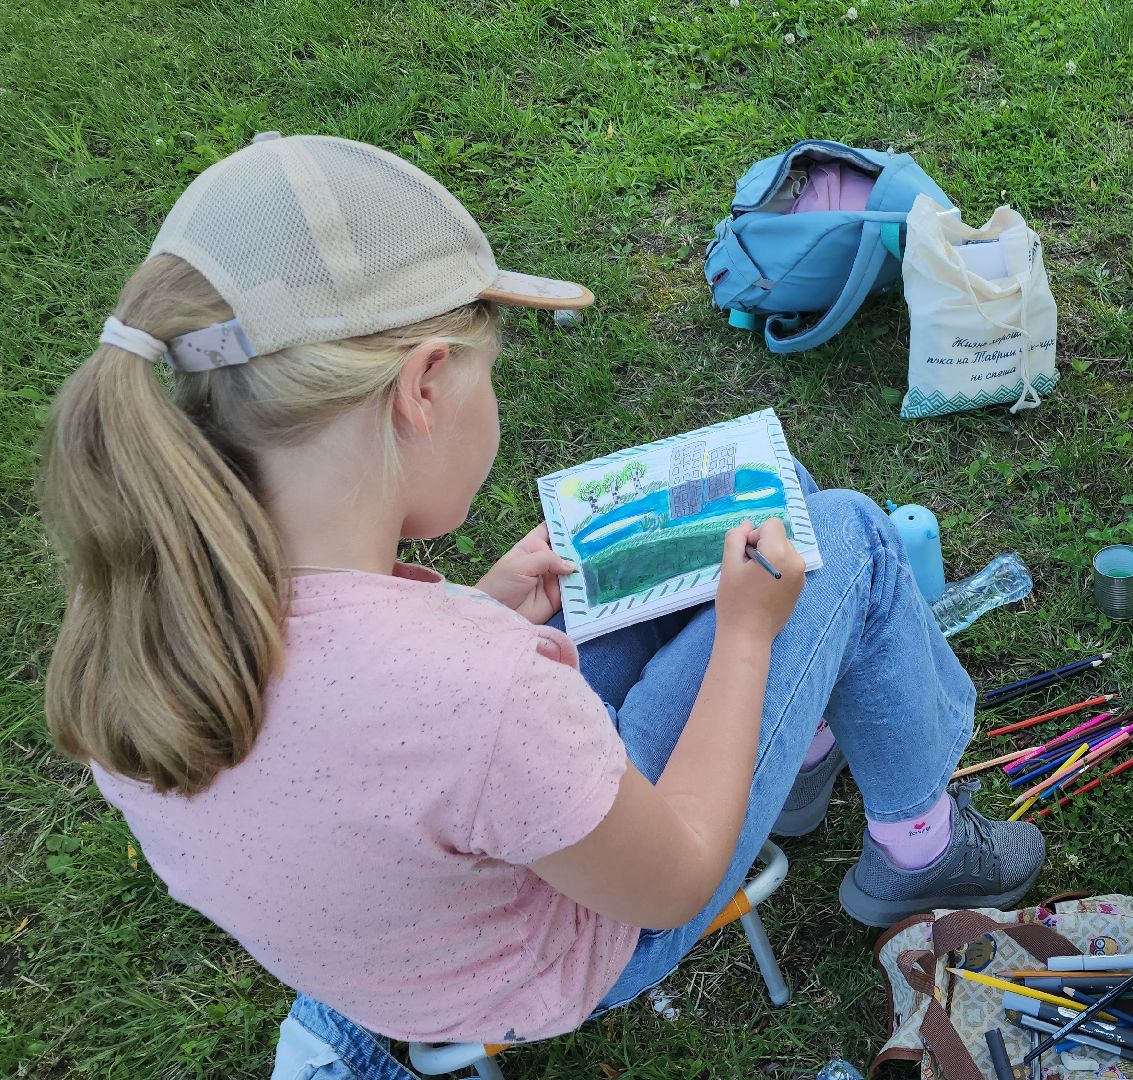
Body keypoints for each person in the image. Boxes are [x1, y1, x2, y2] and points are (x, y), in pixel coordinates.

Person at [37, 133, 1044, 1068]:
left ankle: (800, 764)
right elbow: (677, 878)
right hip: (571, 949)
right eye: (489, 371)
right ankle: (919, 849)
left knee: (657, 575)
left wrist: (472, 609)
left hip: (400, 947)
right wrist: (743, 637)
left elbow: (364, 743)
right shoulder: (478, 695)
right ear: (423, 387)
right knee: (850, 538)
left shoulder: (138, 634)